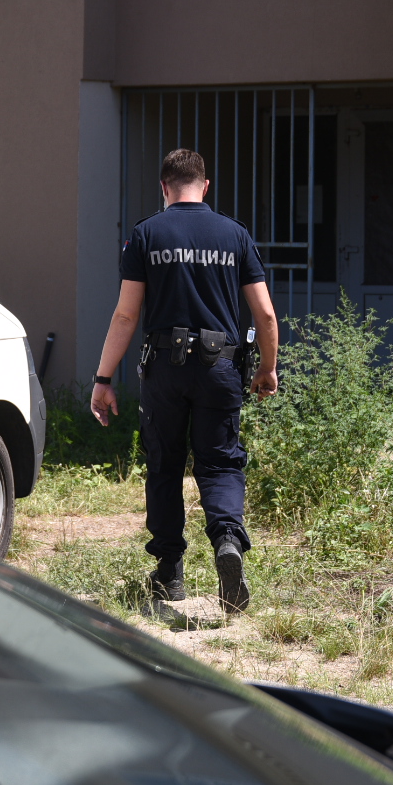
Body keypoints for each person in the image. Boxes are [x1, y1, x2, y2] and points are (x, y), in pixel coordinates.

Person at [90, 149, 279, 611]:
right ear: (205, 186)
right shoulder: (234, 235)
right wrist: (267, 367)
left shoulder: (146, 235)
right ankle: (227, 542)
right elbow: (266, 315)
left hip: (165, 369)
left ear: (164, 187)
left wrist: (103, 377)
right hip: (220, 369)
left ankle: (170, 573)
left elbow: (125, 315)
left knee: (165, 465)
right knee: (220, 464)